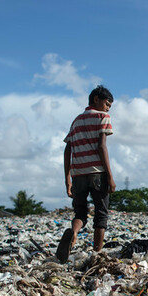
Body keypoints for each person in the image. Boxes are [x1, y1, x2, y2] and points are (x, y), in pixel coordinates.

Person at [57, 85, 116, 262]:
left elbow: (67, 150)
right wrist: (110, 175)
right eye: (107, 104)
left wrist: (67, 179)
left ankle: (74, 232)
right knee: (101, 213)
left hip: (78, 174)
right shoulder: (102, 117)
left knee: (80, 213)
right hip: (97, 173)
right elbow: (102, 146)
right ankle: (96, 253)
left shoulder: (76, 121)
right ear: (96, 99)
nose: (108, 109)